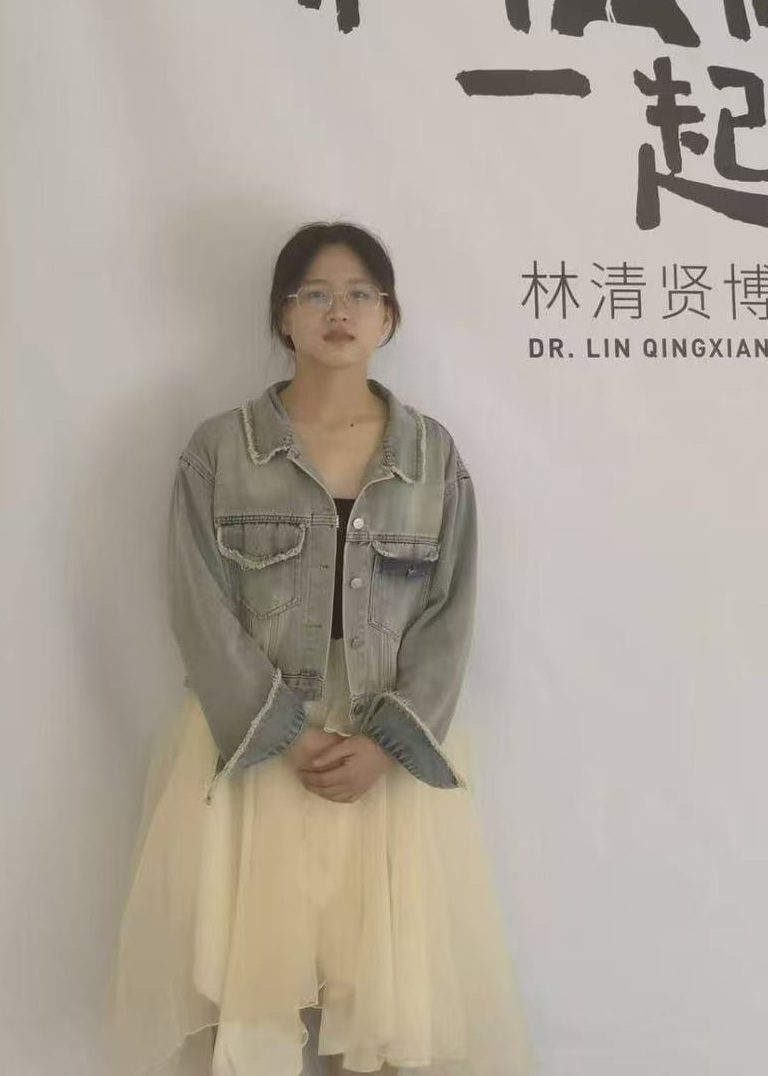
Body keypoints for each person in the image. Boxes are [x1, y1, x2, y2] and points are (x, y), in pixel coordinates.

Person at [108, 222, 532, 1076]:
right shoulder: (220, 449)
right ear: (283, 315)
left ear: (388, 317)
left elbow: (450, 612)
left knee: (377, 1014)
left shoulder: (430, 455)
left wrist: (386, 744)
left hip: (385, 754)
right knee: (248, 1006)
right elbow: (197, 604)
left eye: (360, 294)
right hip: (250, 746)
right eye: (316, 294)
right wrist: (283, 732)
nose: (339, 310)